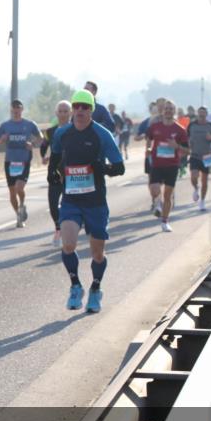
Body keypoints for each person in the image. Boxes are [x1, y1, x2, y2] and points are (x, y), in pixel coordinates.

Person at [48, 89, 125, 313]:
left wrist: (103, 168)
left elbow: (119, 167)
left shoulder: (102, 135)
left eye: (85, 107)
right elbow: (55, 157)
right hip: (71, 200)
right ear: (72, 109)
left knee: (97, 253)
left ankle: (95, 288)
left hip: (95, 202)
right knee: (68, 244)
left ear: (92, 110)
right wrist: (52, 173)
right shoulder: (62, 133)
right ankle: (75, 286)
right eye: (77, 107)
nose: (80, 111)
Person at [0, 99, 42, 227]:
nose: (16, 110)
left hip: (24, 161)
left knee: (19, 188)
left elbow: (41, 137)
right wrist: (2, 140)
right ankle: (18, 215)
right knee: (12, 192)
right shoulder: (5, 125)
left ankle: (22, 204)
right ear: (11, 110)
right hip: (10, 161)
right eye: (14, 108)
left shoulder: (30, 124)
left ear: (22, 109)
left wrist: (33, 144)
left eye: (18, 108)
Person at [146, 99, 190, 232]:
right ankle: (157, 204)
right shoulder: (155, 127)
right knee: (154, 190)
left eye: (171, 109)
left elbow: (188, 150)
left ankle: (165, 221)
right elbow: (149, 139)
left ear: (174, 111)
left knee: (168, 195)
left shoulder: (180, 130)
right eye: (166, 108)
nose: (168, 111)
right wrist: (148, 149)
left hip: (172, 165)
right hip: (157, 164)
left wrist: (176, 146)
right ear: (162, 110)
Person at [41, 100, 72, 247]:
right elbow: (44, 145)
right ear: (56, 113)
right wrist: (44, 156)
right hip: (55, 173)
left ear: (71, 113)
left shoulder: (76, 129)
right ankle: (58, 228)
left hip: (71, 174)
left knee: (68, 204)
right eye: (60, 111)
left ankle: (67, 230)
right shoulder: (50, 132)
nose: (63, 114)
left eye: (66, 111)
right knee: (53, 205)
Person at [187, 107, 211, 212]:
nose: (201, 115)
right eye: (200, 113)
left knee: (205, 181)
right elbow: (186, 137)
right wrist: (188, 143)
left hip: (207, 157)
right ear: (197, 114)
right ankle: (196, 188)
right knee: (194, 176)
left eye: (203, 113)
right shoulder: (192, 125)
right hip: (194, 155)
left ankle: (202, 201)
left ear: (206, 114)